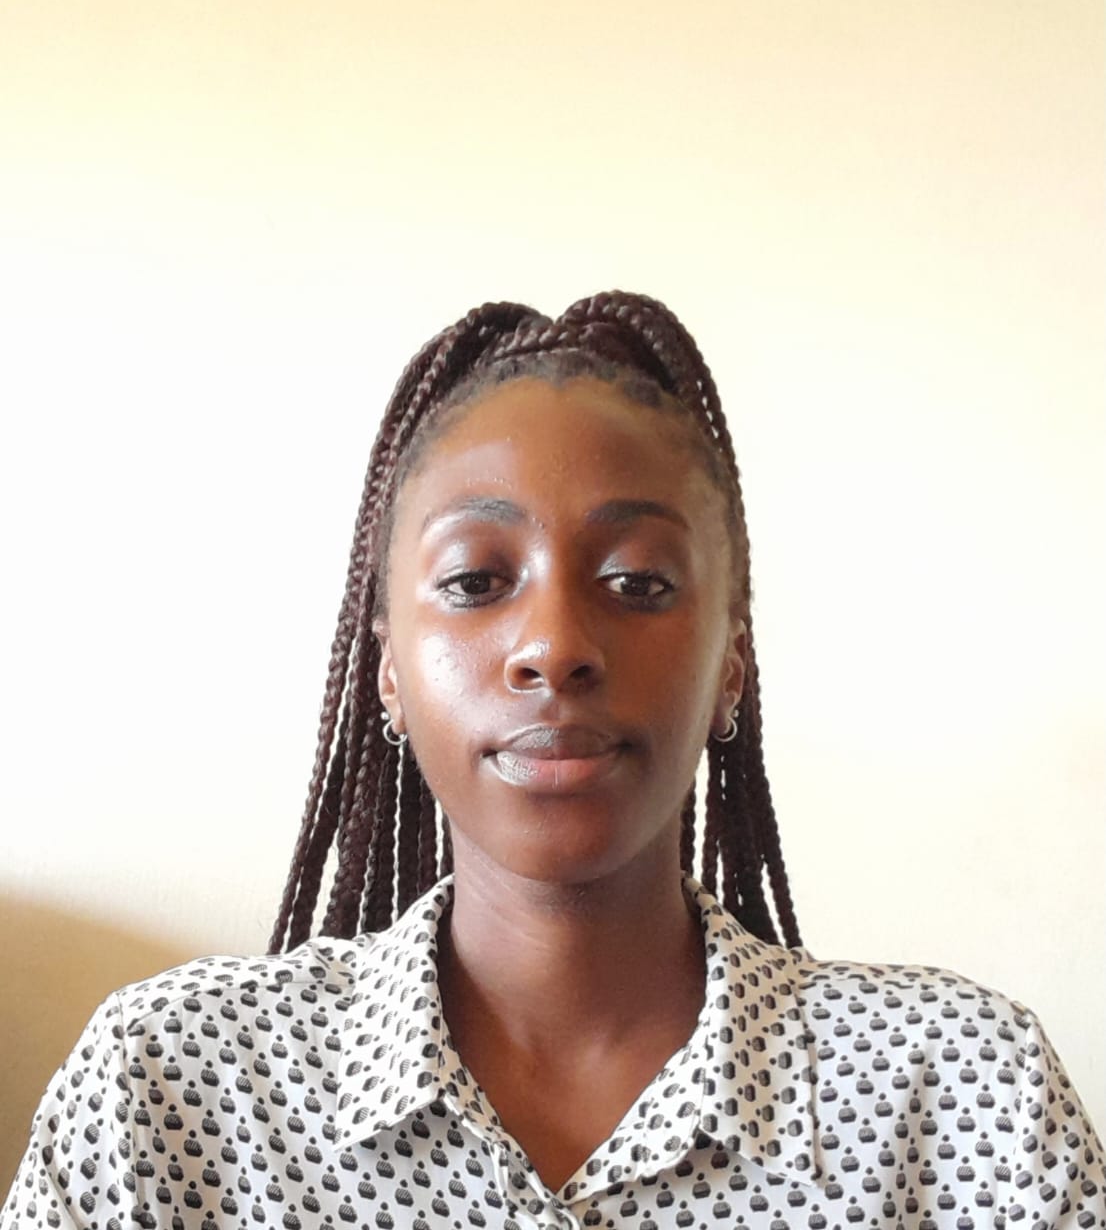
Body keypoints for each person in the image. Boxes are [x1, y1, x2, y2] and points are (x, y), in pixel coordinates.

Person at [3, 292, 1102, 1230]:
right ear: (386, 671)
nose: (556, 644)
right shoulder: (173, 1087)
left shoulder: (967, 1098)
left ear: (731, 665)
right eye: (476, 581)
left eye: (637, 582)